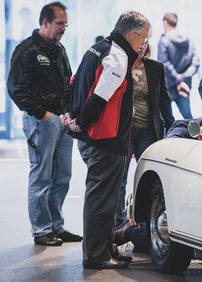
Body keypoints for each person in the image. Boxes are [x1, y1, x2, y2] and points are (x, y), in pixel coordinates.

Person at [65, 11, 150, 269]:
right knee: (101, 201)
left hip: (93, 138)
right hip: (105, 140)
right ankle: (96, 255)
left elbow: (74, 83)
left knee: (103, 200)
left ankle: (105, 248)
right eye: (144, 37)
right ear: (131, 34)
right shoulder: (118, 57)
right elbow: (99, 98)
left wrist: (70, 114)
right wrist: (80, 121)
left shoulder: (97, 48)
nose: (145, 43)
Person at [6, 1, 82, 247]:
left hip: (62, 120)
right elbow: (15, 88)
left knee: (63, 177)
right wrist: (42, 115)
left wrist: (69, 113)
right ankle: (41, 229)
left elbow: (68, 83)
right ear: (45, 22)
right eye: (60, 23)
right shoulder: (26, 50)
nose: (64, 28)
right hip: (42, 121)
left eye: (66, 24)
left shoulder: (58, 49)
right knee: (41, 176)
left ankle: (56, 226)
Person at [114, 43, 175, 228]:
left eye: (145, 42)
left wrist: (172, 127)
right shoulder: (119, 65)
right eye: (139, 42)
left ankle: (145, 223)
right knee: (120, 177)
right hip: (125, 130)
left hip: (148, 129)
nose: (142, 46)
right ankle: (118, 221)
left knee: (149, 177)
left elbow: (164, 99)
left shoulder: (155, 67)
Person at [157, 12, 200, 119]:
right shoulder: (187, 39)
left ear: (165, 22)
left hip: (169, 86)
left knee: (164, 119)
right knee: (188, 118)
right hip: (185, 85)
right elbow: (196, 62)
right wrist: (184, 77)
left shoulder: (163, 41)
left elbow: (164, 64)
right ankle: (195, 136)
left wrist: (177, 78)